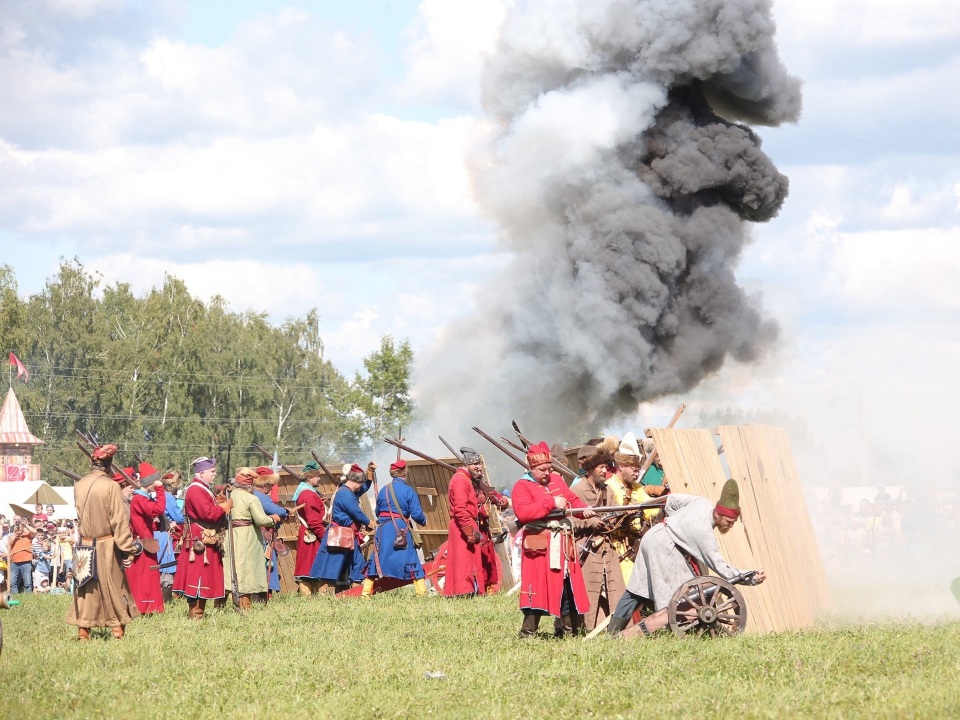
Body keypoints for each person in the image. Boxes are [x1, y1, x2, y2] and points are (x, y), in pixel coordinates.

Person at [608, 479, 765, 637]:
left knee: (637, 589)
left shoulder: (702, 502)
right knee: (682, 593)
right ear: (717, 514)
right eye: (729, 521)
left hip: (653, 536)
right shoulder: (703, 534)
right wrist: (750, 577)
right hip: (665, 548)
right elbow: (720, 566)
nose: (731, 526)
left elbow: (672, 500)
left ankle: (611, 634)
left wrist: (676, 522)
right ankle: (671, 633)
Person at [512, 442, 594, 639]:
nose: (547, 473)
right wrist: (551, 502)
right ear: (530, 468)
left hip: (563, 544)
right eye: (542, 469)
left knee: (567, 588)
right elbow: (523, 513)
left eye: (549, 468)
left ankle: (567, 633)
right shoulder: (521, 486)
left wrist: (584, 509)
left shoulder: (557, 480)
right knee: (537, 589)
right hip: (539, 547)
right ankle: (528, 634)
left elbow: (572, 500)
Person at [66, 444, 141, 640]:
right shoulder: (111, 486)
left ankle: (84, 632)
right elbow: (119, 521)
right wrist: (128, 550)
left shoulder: (79, 484)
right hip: (107, 546)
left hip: (84, 545)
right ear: (109, 464)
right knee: (114, 587)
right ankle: (117, 631)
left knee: (86, 591)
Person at [570, 445, 625, 633]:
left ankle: (616, 628)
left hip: (607, 549)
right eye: (601, 466)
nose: (605, 470)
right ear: (591, 467)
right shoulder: (577, 490)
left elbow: (615, 513)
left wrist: (625, 513)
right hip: (586, 549)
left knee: (615, 589)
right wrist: (592, 522)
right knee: (587, 593)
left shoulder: (607, 490)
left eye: (605, 466)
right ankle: (586, 628)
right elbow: (569, 520)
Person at [172, 457, 233, 619]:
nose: (215, 473)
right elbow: (207, 514)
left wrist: (219, 499)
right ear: (201, 473)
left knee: (204, 576)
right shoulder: (196, 490)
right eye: (212, 471)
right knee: (198, 576)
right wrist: (223, 508)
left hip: (205, 537)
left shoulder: (202, 488)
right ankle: (196, 614)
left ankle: (199, 613)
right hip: (200, 539)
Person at [443, 447, 508, 598]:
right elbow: (460, 509)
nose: (478, 466)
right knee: (463, 562)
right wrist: (468, 530)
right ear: (466, 465)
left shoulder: (466, 479)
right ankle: (462, 593)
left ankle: (469, 592)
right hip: (462, 525)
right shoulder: (460, 480)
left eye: (479, 463)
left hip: (468, 524)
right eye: (474, 464)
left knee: (469, 562)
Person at [362, 459, 428, 597]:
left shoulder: (383, 491)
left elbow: (378, 512)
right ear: (405, 472)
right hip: (400, 528)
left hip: (383, 529)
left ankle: (365, 593)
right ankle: (421, 593)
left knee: (377, 558)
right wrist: (423, 521)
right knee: (411, 558)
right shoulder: (408, 491)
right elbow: (416, 514)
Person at [223, 467, 281, 610]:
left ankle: (222, 606)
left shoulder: (230, 495)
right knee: (246, 571)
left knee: (231, 569)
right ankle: (244, 607)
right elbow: (261, 520)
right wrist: (273, 518)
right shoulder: (251, 498)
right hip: (247, 537)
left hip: (229, 535)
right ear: (250, 485)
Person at [605, 433, 659, 583]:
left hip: (636, 545)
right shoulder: (609, 487)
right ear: (621, 467)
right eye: (634, 470)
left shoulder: (636, 487)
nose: (637, 473)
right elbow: (609, 519)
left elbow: (650, 508)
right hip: (619, 548)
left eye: (638, 470)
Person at [310, 463, 371, 593]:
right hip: (340, 534)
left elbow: (364, 487)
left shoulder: (349, 491)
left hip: (349, 533)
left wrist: (370, 474)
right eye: (360, 483)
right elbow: (356, 512)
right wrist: (369, 522)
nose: (361, 486)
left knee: (357, 563)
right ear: (355, 480)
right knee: (331, 565)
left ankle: (356, 593)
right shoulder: (345, 494)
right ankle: (322, 593)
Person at [127, 464, 167, 614]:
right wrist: (160, 490)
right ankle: (144, 607)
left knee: (148, 576)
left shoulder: (141, 498)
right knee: (144, 577)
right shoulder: (139, 499)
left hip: (146, 540)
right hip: (142, 544)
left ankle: (150, 607)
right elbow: (158, 509)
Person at [251, 467, 289, 597]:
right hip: (263, 537)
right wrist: (286, 512)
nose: (272, 487)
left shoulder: (253, 495)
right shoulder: (260, 497)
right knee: (266, 566)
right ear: (264, 484)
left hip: (257, 537)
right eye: (271, 484)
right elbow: (278, 511)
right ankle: (264, 596)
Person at [291, 461, 327, 596]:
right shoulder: (309, 494)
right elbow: (314, 521)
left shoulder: (308, 493)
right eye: (317, 476)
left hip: (310, 533)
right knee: (309, 568)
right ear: (309, 477)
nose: (319, 478)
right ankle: (309, 599)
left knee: (310, 566)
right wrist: (324, 537)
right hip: (312, 535)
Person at [155, 471, 185, 604]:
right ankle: (165, 600)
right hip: (163, 534)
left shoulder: (161, 496)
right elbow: (179, 517)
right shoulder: (169, 498)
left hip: (159, 533)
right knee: (166, 566)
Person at [8, 518, 36, 594]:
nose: (19, 528)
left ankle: (28, 598)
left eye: (20, 527)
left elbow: (35, 532)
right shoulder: (12, 536)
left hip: (26, 561)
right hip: (14, 561)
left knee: (27, 582)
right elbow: (10, 542)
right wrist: (15, 531)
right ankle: (15, 596)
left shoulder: (27, 535)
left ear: (23, 527)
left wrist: (26, 525)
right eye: (17, 527)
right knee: (12, 582)